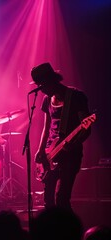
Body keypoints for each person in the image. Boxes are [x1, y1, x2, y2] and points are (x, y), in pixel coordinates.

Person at [31, 62, 93, 210]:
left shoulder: (76, 96)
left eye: (43, 85)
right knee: (48, 201)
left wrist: (73, 144)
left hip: (70, 154)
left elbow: (86, 127)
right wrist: (40, 150)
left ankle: (68, 231)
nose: (42, 90)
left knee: (62, 198)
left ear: (53, 80)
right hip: (50, 154)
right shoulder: (47, 99)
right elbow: (46, 128)